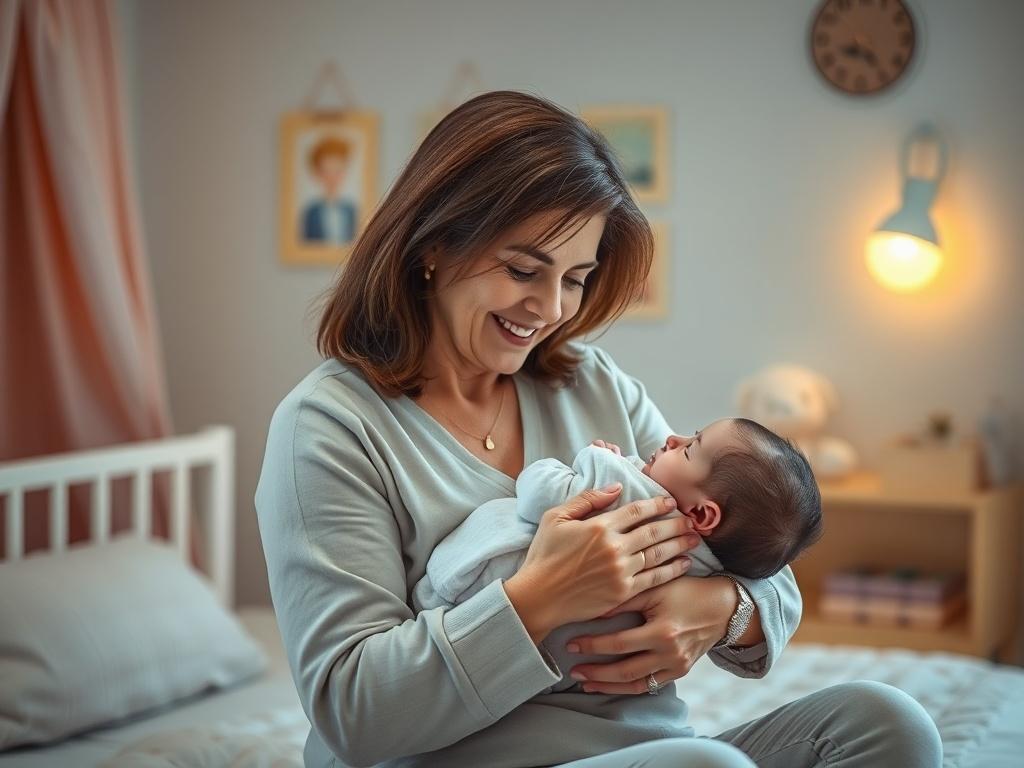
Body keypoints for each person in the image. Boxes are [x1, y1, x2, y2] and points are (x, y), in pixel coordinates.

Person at [255, 90, 942, 767]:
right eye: (524, 270)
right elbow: (351, 710)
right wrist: (540, 597)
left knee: (889, 726)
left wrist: (722, 607)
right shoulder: (331, 427)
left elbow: (759, 549)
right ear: (434, 243)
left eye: (575, 278)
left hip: (653, 752)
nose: (551, 308)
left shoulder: (589, 382)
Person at [410, 417, 824, 693]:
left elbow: (539, 491)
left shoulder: (623, 485)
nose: (672, 439)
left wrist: (594, 461)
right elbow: (766, 568)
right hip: (572, 675)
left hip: (465, 589)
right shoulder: (713, 559)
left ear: (702, 514)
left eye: (689, 448)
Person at [301, 135, 358, 245]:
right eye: (327, 171)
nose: (332, 178)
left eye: (337, 171)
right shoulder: (311, 213)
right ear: (318, 173)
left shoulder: (351, 210)